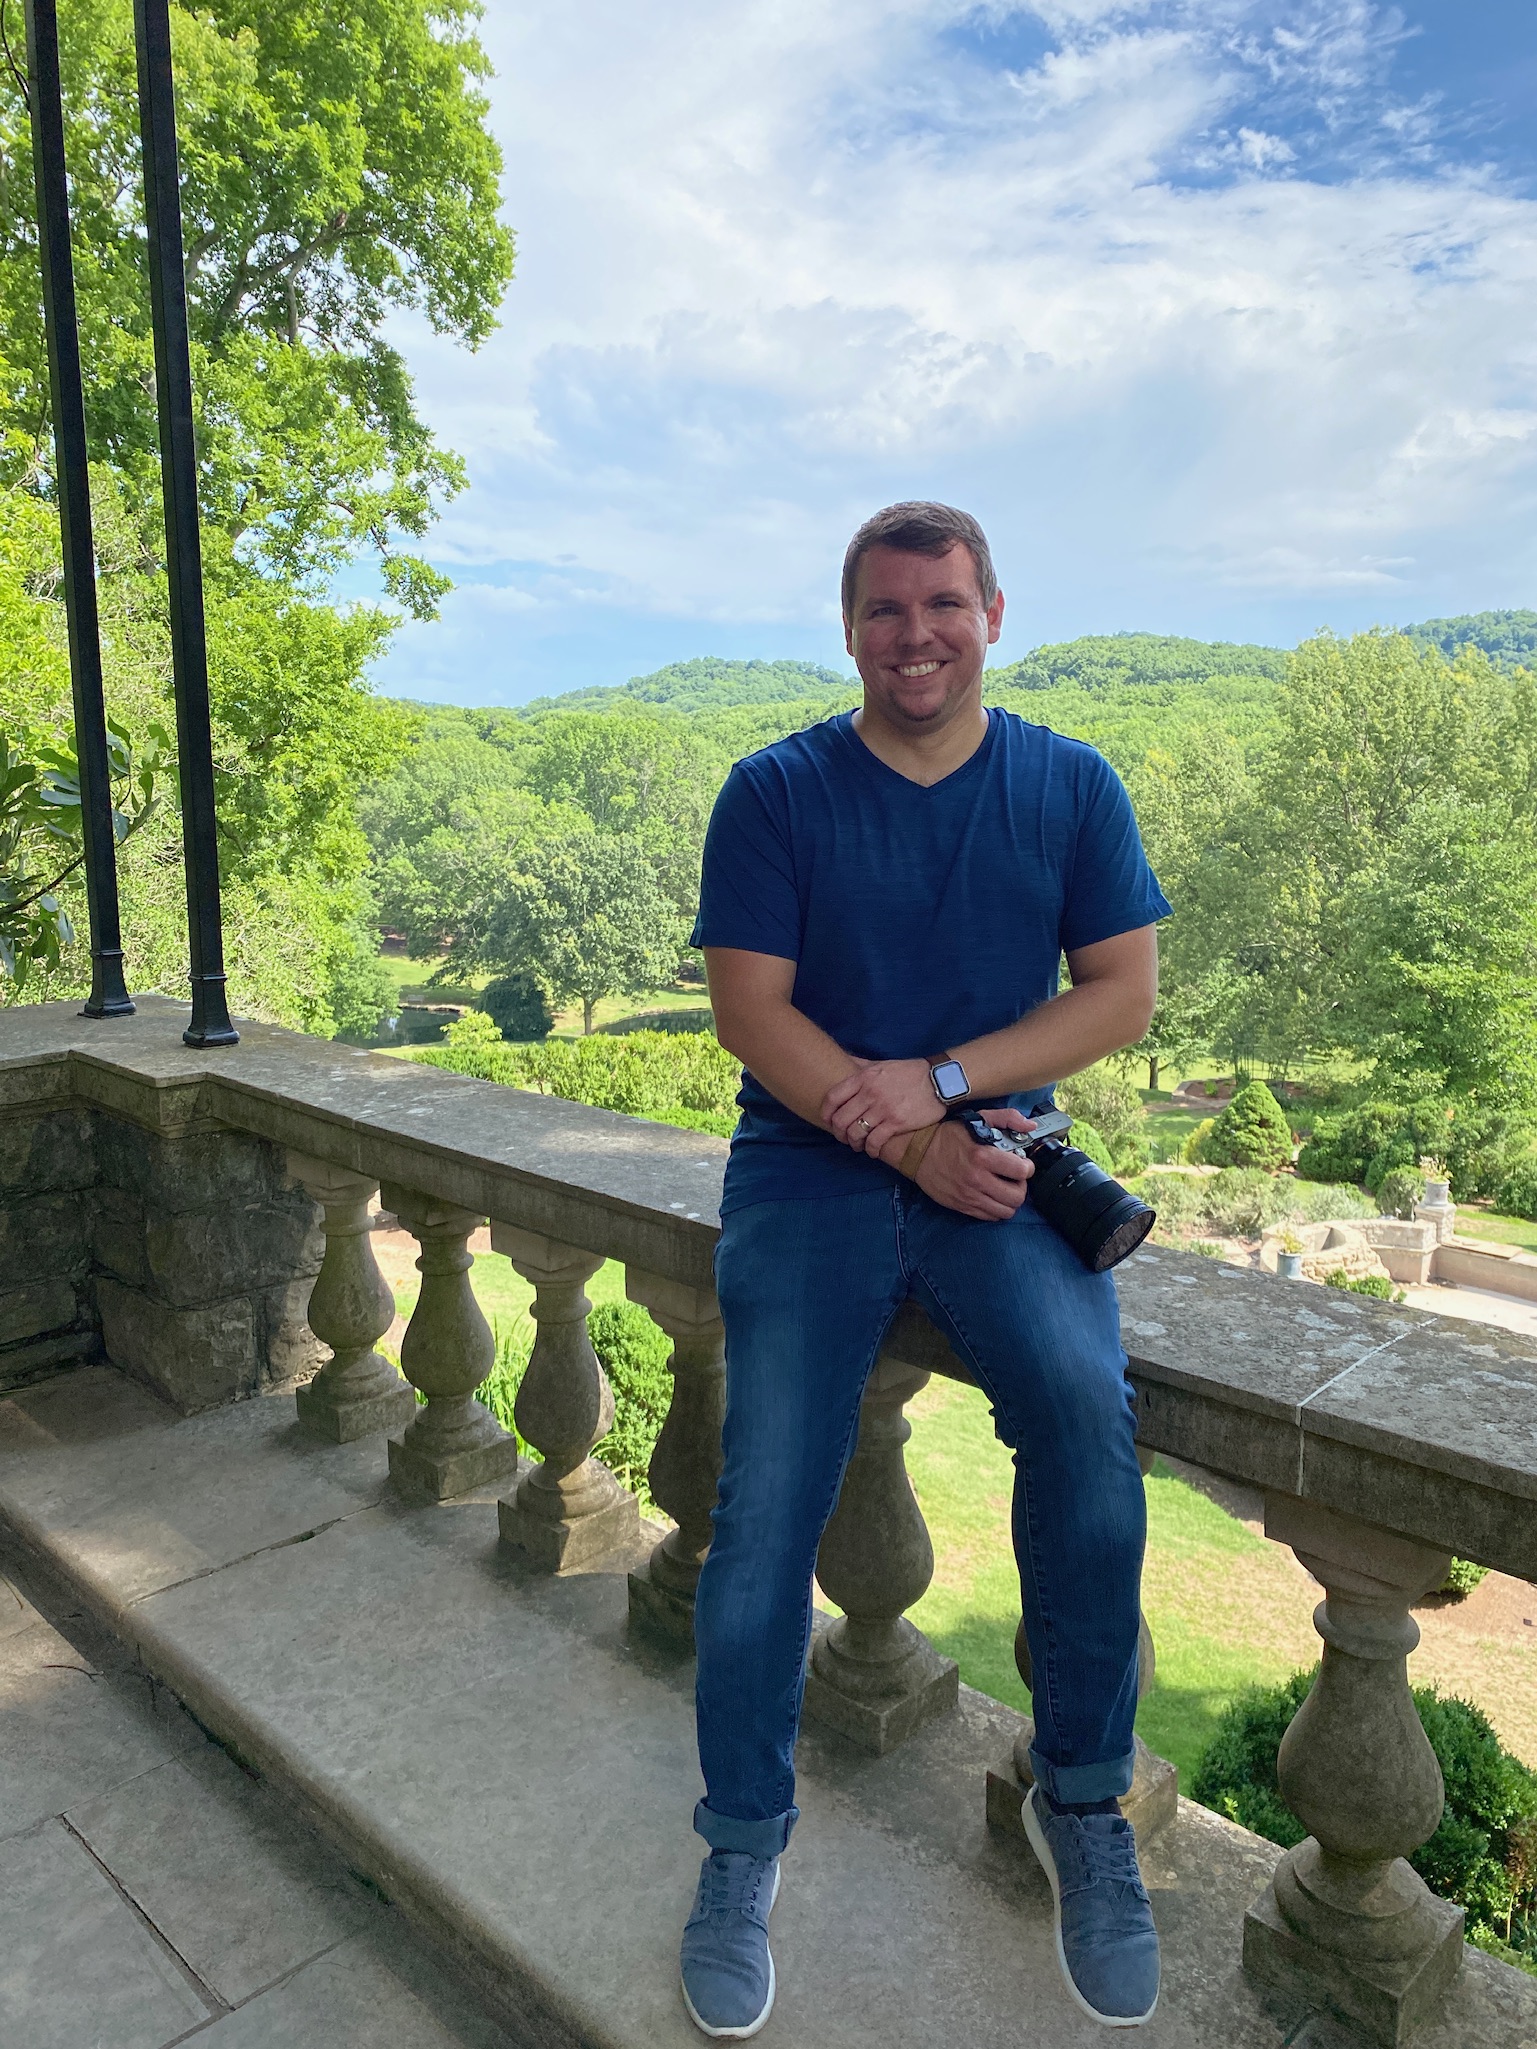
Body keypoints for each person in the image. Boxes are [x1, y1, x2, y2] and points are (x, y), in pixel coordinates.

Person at [678, 502, 1171, 2039]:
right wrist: (906, 1142)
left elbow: (1120, 995)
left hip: (996, 1153)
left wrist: (949, 1087)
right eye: (886, 610)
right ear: (848, 628)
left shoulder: (1065, 783)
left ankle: (1079, 1796)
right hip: (814, 1167)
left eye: (942, 605)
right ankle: (740, 1841)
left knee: (1086, 1422)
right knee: (766, 1499)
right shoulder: (773, 793)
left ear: (994, 613)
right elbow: (752, 1013)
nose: (916, 636)